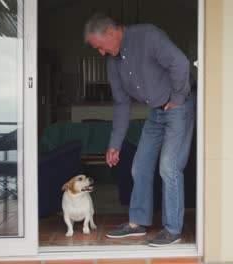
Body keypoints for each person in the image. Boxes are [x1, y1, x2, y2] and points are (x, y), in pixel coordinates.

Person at [84, 13, 195, 246]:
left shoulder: (147, 35)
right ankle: (137, 223)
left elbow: (180, 63)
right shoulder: (113, 62)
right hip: (156, 111)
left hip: (178, 106)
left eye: (101, 47)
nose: (101, 53)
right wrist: (114, 144)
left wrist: (176, 98)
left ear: (112, 33)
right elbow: (122, 104)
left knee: (169, 167)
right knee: (139, 166)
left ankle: (172, 229)